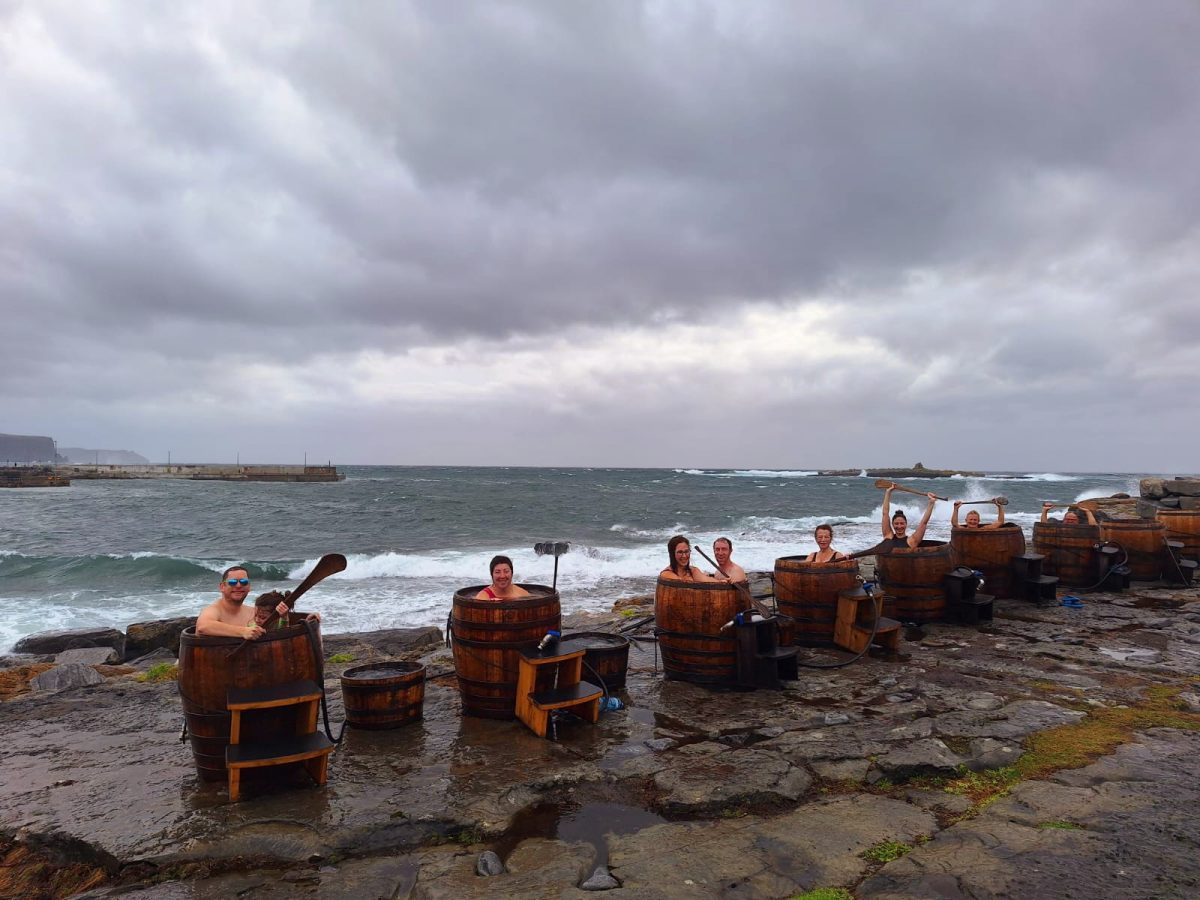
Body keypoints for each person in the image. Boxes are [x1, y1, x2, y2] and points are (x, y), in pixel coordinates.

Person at [195, 566, 274, 639]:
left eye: (244, 582)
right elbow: (203, 626)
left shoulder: (254, 612)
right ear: (222, 587)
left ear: (249, 587)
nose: (238, 585)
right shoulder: (214, 610)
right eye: (233, 582)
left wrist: (284, 616)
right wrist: (243, 631)